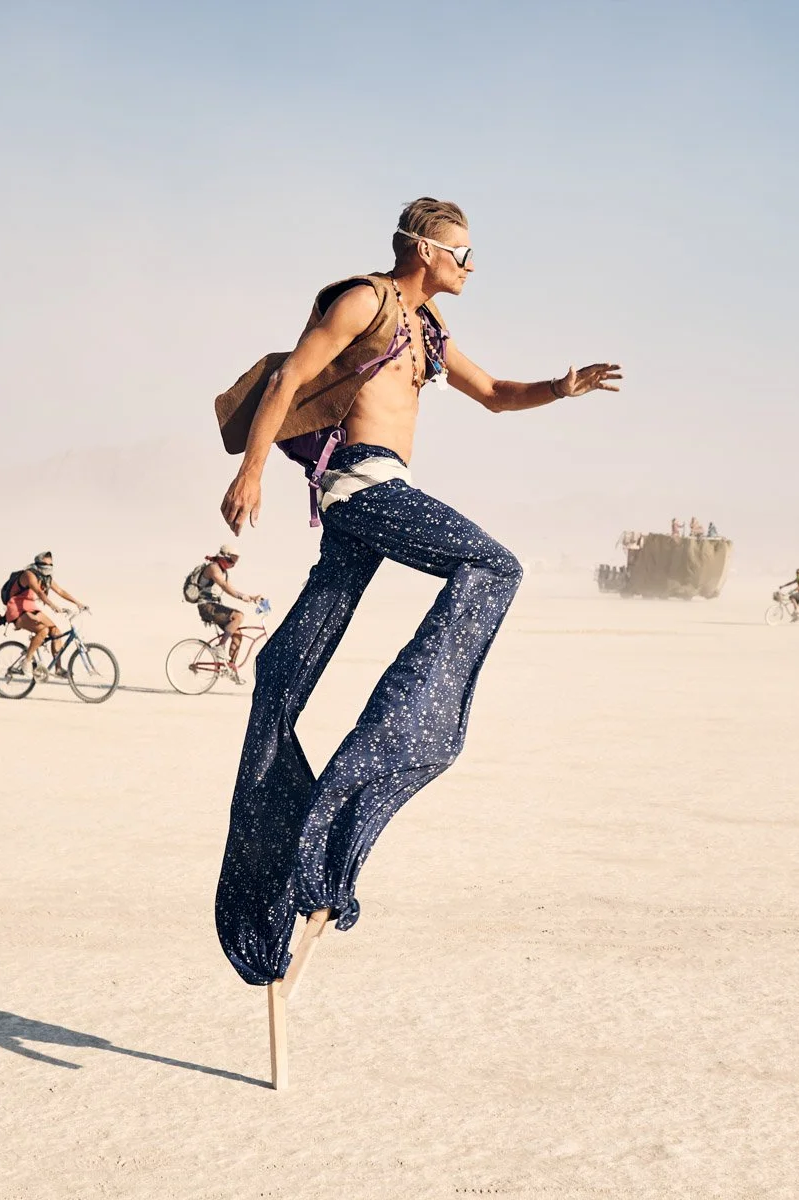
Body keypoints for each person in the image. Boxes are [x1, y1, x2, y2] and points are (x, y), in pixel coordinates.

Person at [212, 196, 621, 986]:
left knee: (280, 679)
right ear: (425, 251)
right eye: (462, 253)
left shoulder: (428, 329)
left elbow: (497, 393)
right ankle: (396, 738)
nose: (471, 267)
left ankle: (277, 885)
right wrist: (252, 467)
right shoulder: (364, 299)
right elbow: (294, 373)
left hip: (365, 505)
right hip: (362, 489)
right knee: (495, 567)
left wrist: (560, 387)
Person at [188, 545, 266, 684]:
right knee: (238, 616)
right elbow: (224, 586)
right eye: (233, 558)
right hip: (206, 606)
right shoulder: (213, 568)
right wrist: (243, 597)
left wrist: (252, 597)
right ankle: (220, 647)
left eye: (236, 559)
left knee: (237, 635)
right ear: (225, 555)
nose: (234, 562)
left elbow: (230, 587)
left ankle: (230, 668)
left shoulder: (223, 571)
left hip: (214, 605)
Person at [4, 552, 85, 679]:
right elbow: (39, 593)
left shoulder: (46, 577)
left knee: (56, 631)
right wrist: (53, 606)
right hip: (17, 609)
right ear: (38, 564)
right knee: (43, 630)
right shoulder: (29, 574)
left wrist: (78, 603)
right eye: (45, 564)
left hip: (31, 609)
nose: (48, 567)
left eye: (51, 564)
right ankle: (27, 661)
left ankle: (58, 669)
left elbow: (60, 591)